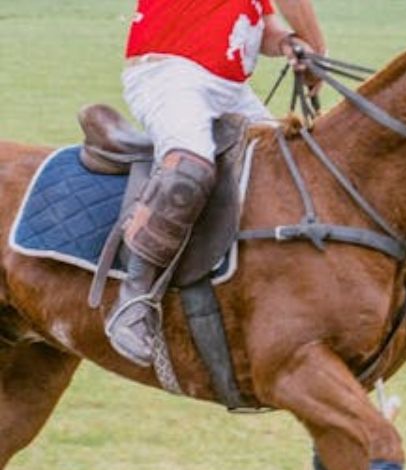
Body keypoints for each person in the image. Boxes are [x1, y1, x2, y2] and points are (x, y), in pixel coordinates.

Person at [107, 0, 325, 366]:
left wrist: (290, 42)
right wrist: (318, 45)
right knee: (190, 165)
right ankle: (134, 295)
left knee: (296, 166)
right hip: (168, 73)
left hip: (232, 90)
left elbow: (263, 27)